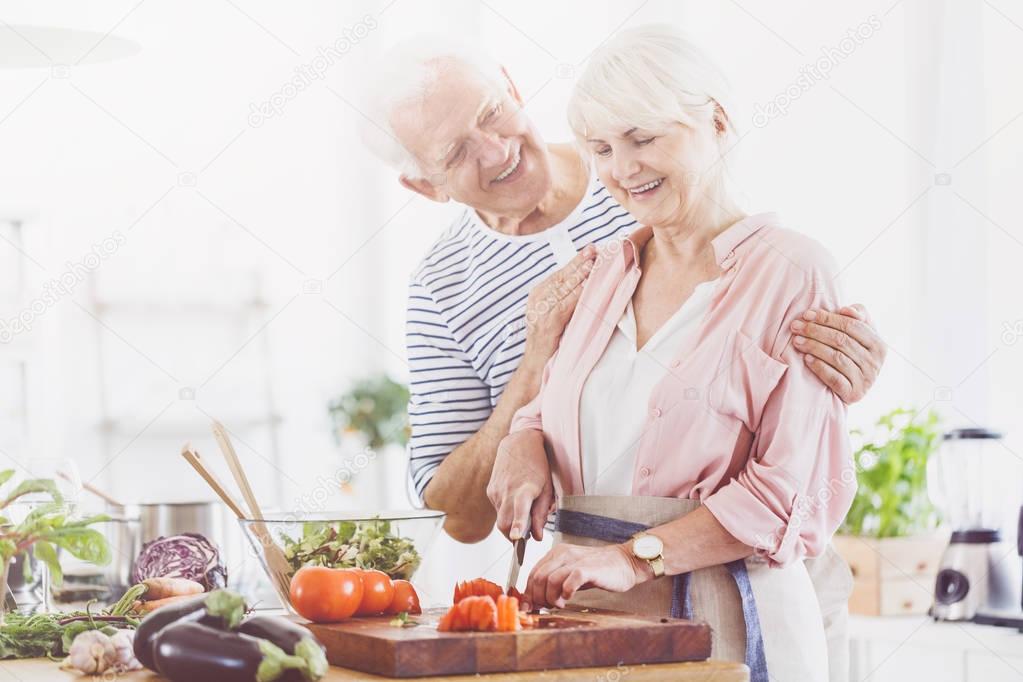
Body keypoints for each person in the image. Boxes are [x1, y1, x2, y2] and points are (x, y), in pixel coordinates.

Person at [360, 36, 887, 551]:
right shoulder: (443, 286)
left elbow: (775, 291)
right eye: (455, 152)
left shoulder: (654, 181)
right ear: (427, 187)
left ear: (512, 86)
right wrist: (529, 382)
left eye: (491, 112)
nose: (496, 150)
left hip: (754, 560)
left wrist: (842, 360)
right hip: (599, 577)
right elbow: (454, 517)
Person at [489, 25, 862, 681]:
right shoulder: (602, 269)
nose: (620, 168)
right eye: (601, 147)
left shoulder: (791, 271)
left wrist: (633, 557)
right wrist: (524, 440)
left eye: (643, 138)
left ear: (716, 121)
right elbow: (562, 407)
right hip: (593, 615)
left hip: (727, 617)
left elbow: (789, 491)